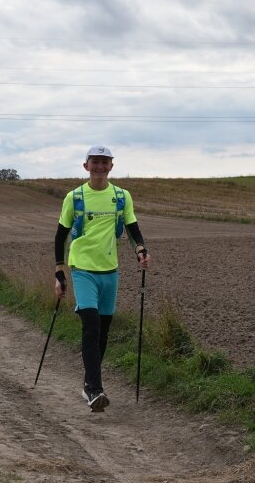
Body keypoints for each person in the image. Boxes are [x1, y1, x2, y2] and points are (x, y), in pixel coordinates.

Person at [53, 145, 151, 412]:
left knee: (104, 332)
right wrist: (59, 272)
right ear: (86, 166)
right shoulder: (74, 197)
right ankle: (95, 389)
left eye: (104, 162)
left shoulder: (121, 197)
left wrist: (141, 250)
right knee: (92, 326)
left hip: (110, 272)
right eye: (94, 162)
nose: (99, 166)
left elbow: (133, 229)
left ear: (111, 166)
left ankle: (88, 382)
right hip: (82, 269)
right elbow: (61, 236)